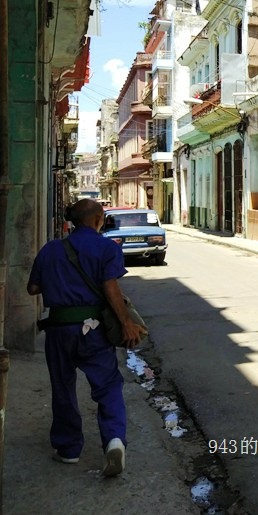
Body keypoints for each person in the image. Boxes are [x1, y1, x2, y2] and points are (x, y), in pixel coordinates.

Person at [27, 198, 146, 476]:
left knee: (63, 387)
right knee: (107, 386)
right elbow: (110, 288)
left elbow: (33, 288)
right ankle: (114, 441)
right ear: (98, 219)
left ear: (73, 221)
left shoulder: (51, 249)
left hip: (58, 330)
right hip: (93, 330)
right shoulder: (106, 247)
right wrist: (126, 322)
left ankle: (69, 450)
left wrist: (58, 280)